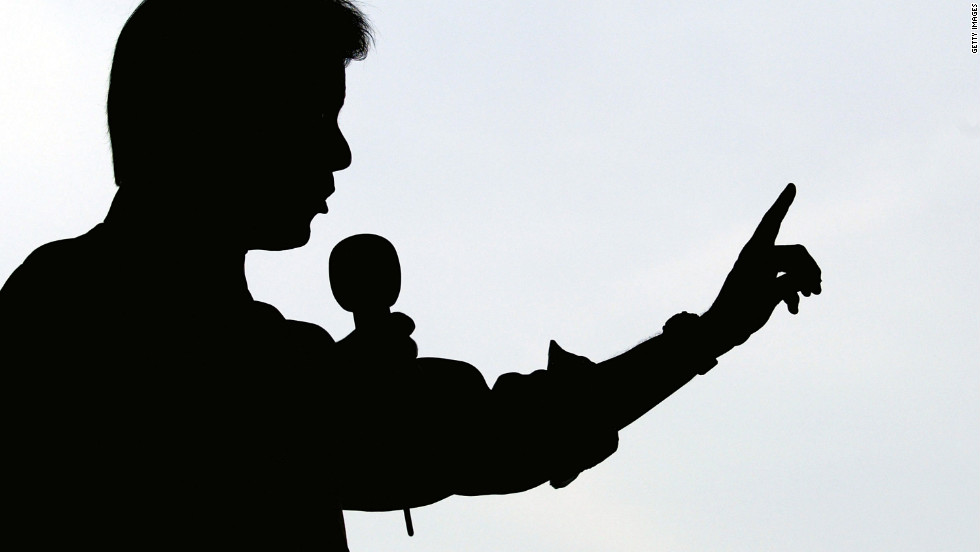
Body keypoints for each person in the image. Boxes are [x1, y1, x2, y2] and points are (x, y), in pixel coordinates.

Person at [0, 1, 822, 550]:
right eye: (312, 119)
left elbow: (484, 435)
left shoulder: (91, 313)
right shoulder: (97, 330)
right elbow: (493, 438)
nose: (339, 153)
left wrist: (711, 334)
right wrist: (709, 336)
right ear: (220, 121)